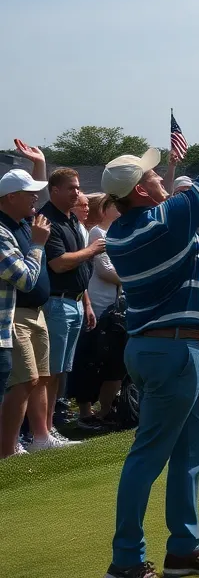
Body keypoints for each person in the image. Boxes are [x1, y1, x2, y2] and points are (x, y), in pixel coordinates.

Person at [101, 78, 199, 578]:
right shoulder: (164, 222)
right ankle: (126, 560)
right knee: (149, 455)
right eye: (153, 175)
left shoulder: (123, 231)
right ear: (140, 191)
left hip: (174, 348)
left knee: (192, 450)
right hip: (170, 351)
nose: (160, 178)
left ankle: (184, 548)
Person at [1, 156, 68, 457]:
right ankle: (9, 447)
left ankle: (40, 437)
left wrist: (39, 162)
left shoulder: (24, 222)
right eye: (29, 194)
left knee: (40, 377)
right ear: (10, 197)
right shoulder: (4, 229)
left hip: (37, 312)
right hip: (14, 315)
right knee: (23, 380)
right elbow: (25, 280)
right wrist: (39, 245)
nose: (35, 199)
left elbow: (41, 204)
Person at [40, 167, 101, 435]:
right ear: (54, 190)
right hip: (56, 302)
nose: (76, 192)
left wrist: (85, 302)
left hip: (74, 301)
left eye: (77, 187)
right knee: (50, 372)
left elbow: (78, 268)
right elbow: (59, 263)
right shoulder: (48, 220)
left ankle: (49, 426)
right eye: (71, 188)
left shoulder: (71, 219)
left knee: (60, 371)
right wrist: (91, 250)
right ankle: (43, 429)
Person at [76, 193, 126, 429]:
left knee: (114, 362)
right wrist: (134, 278)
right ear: (104, 210)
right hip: (99, 305)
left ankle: (106, 409)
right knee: (93, 359)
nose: (120, 209)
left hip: (114, 306)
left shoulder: (117, 234)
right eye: (115, 205)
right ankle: (86, 411)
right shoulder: (98, 233)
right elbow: (105, 269)